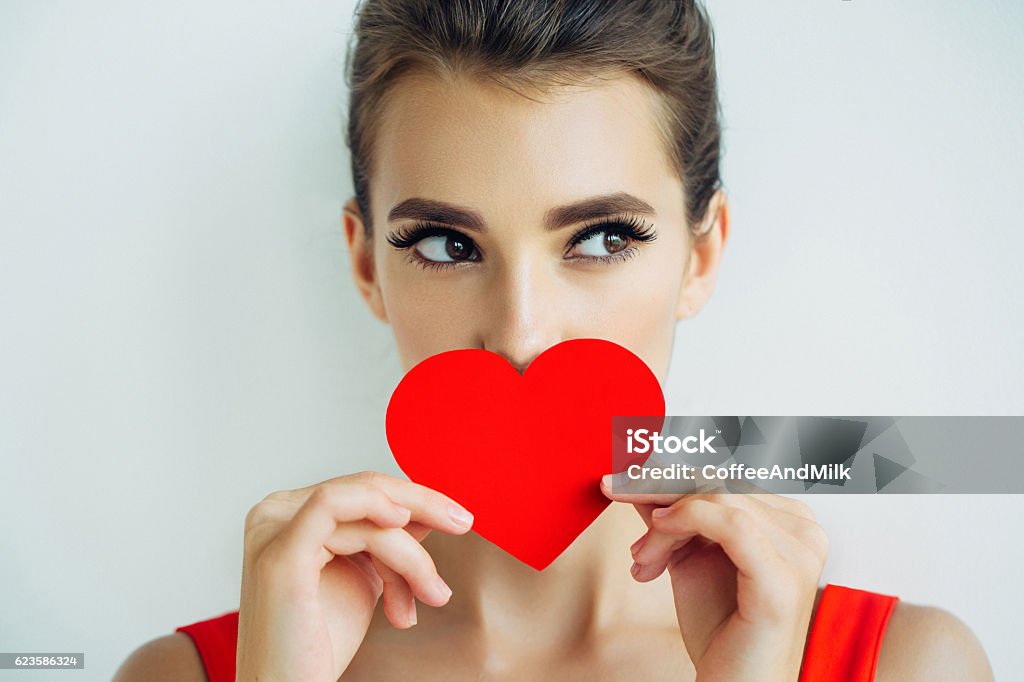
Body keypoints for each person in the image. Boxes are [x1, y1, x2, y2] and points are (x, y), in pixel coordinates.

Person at [114, 1, 994, 680]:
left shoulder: (904, 665)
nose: (523, 331)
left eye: (603, 238)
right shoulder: (188, 675)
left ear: (703, 254)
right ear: (365, 264)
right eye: (446, 245)